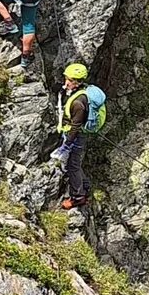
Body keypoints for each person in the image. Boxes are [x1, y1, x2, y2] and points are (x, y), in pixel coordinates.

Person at [52, 63, 92, 209]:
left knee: (71, 166)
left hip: (75, 136)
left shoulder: (78, 103)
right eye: (66, 78)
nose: (66, 82)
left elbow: (75, 126)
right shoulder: (81, 91)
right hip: (75, 134)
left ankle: (77, 197)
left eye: (70, 80)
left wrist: (67, 144)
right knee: (75, 163)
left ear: (78, 82)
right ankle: (85, 186)